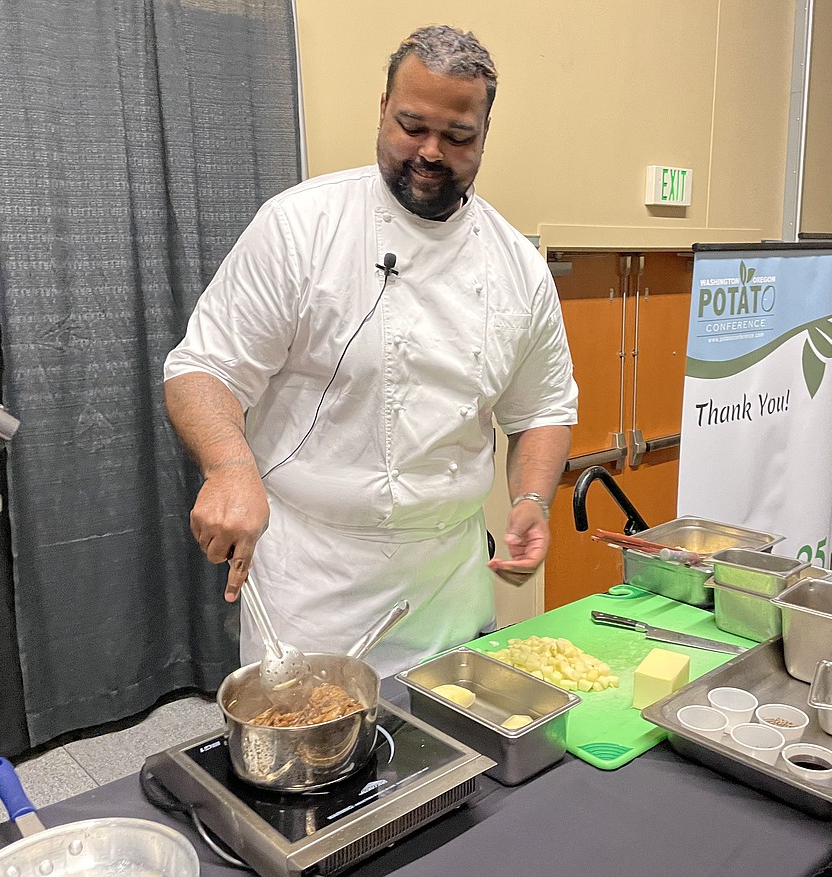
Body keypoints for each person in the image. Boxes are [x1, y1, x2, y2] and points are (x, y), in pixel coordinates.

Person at [163, 25, 578, 676]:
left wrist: (531, 500)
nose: (431, 151)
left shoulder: (516, 267)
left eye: (458, 135)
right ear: (381, 108)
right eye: (411, 125)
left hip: (448, 580)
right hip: (314, 579)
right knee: (315, 765)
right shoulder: (301, 227)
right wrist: (229, 466)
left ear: (486, 132)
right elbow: (202, 368)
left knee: (453, 762)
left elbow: (543, 409)